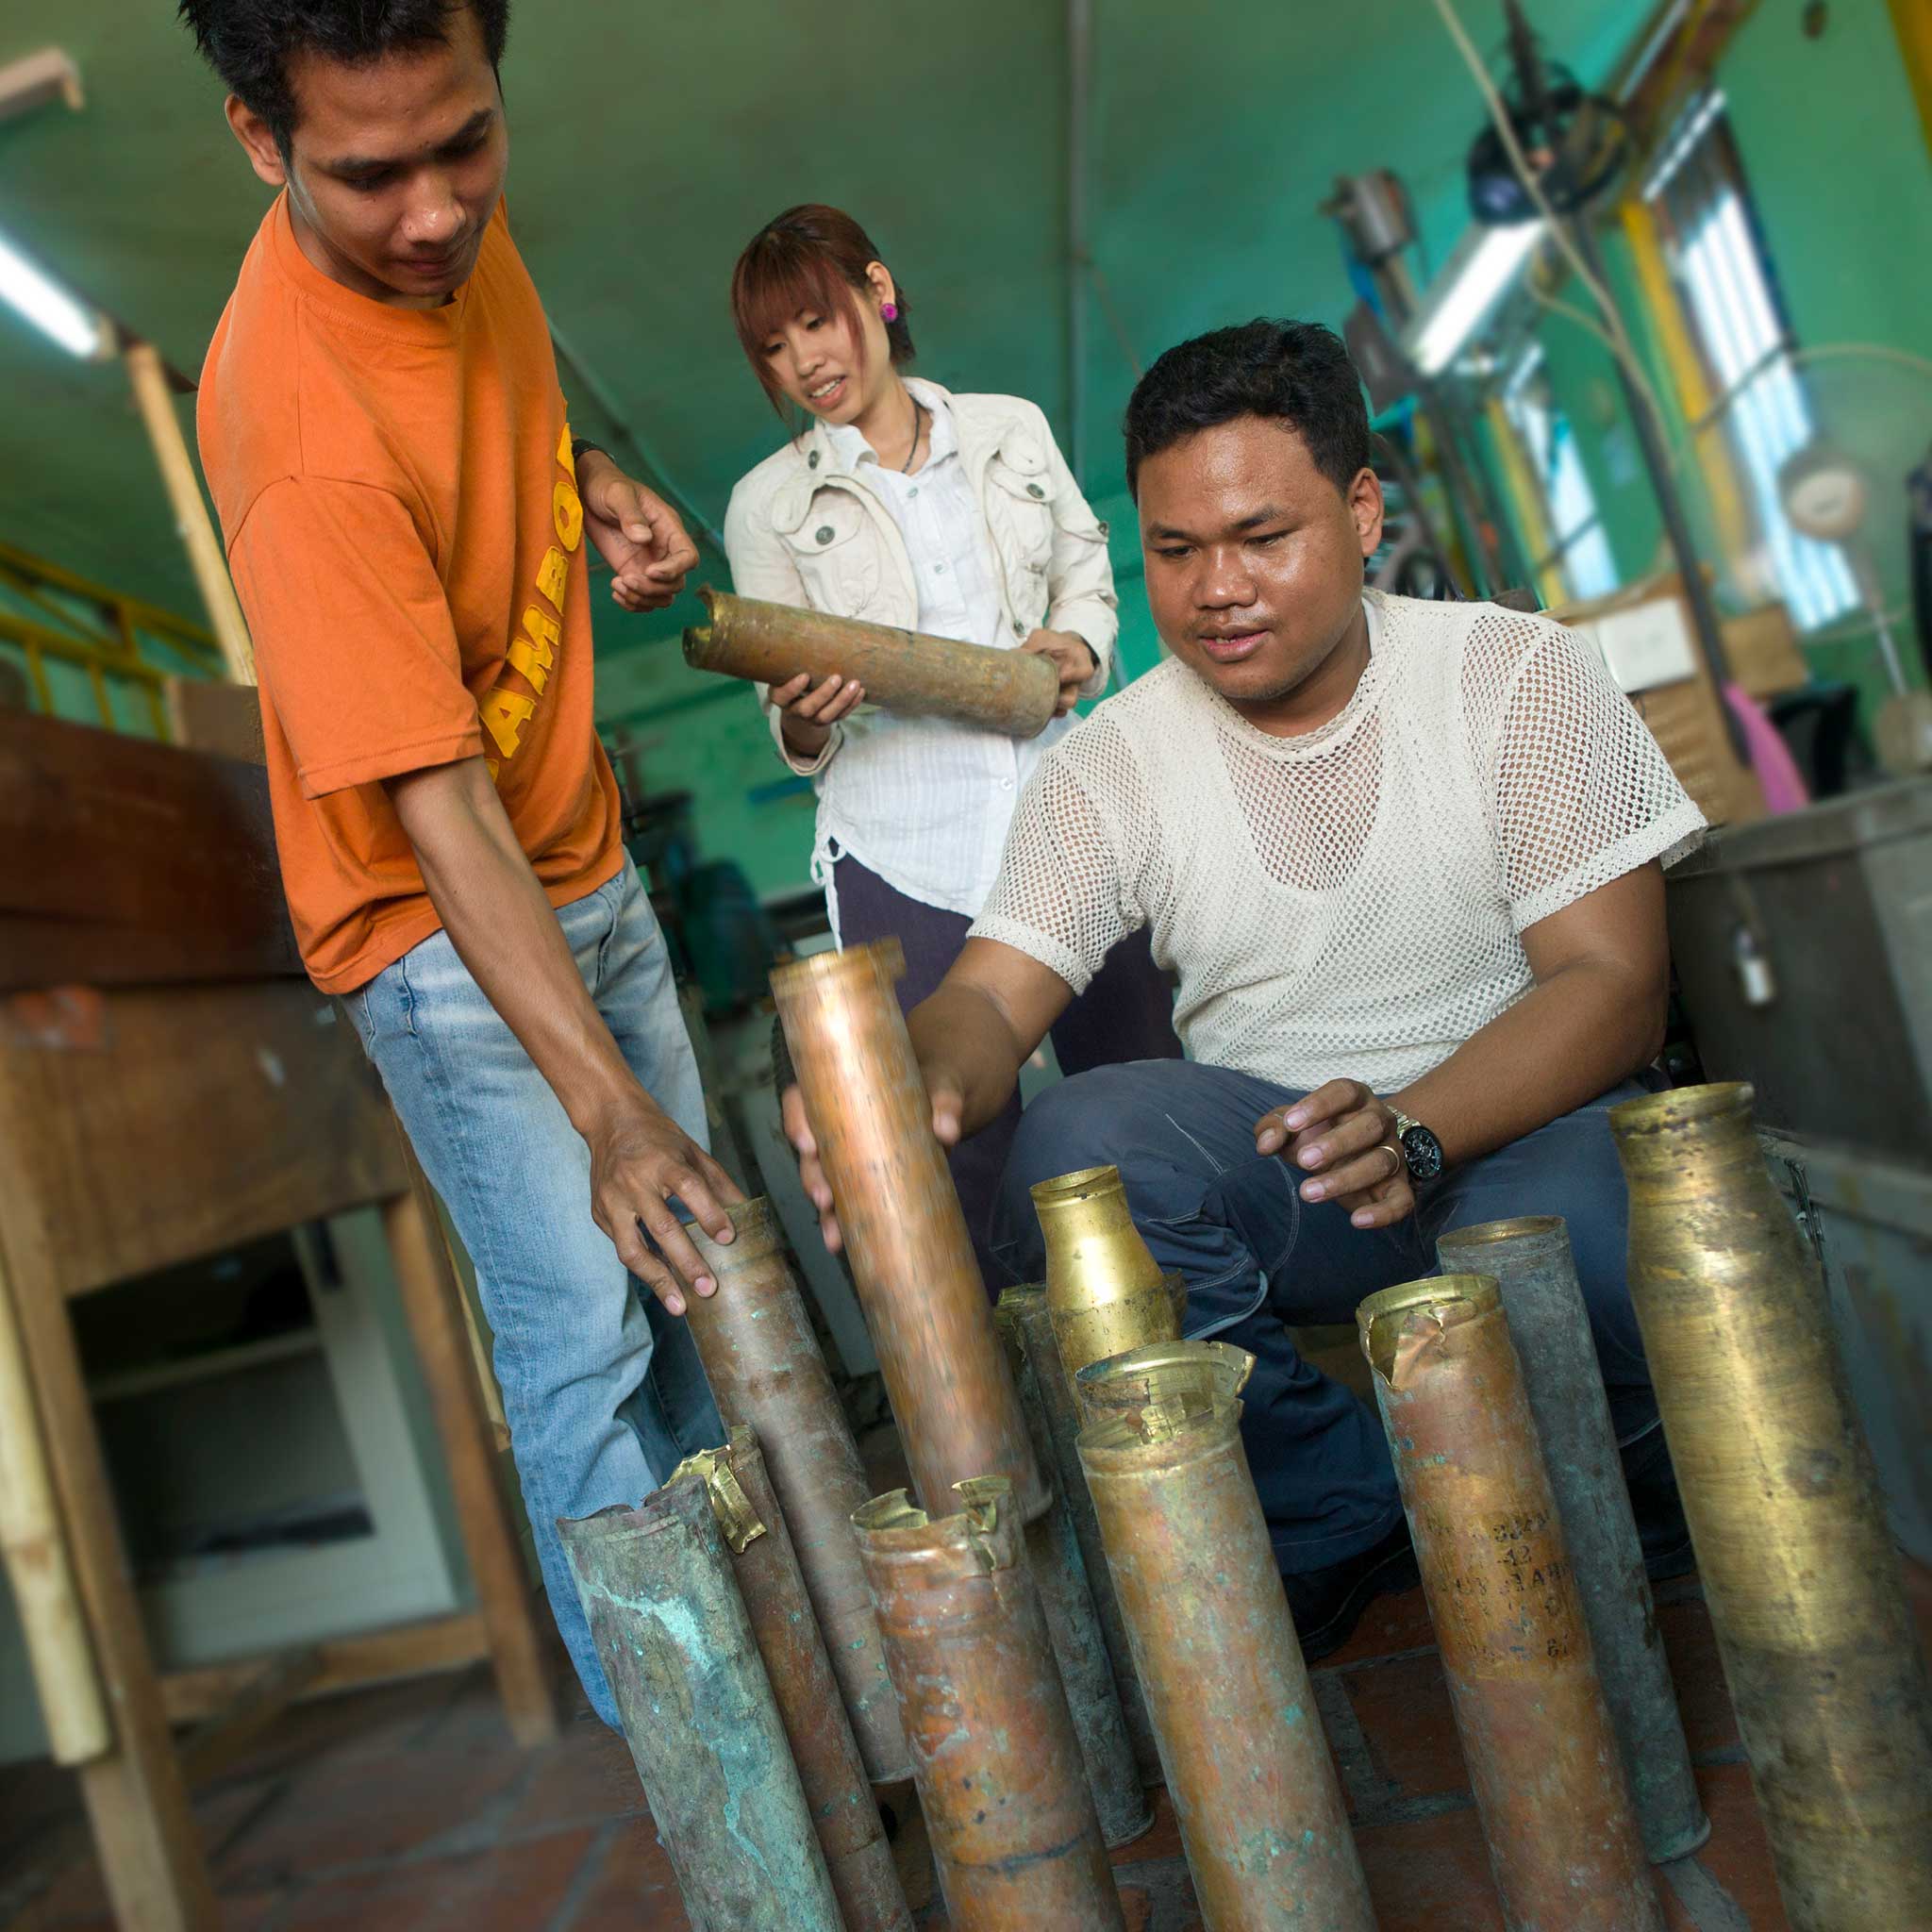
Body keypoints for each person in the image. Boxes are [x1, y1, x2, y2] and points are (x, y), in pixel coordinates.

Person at [786, 319, 1705, 1657]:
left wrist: (1421, 1123)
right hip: (1303, 1179)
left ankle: (1624, 1469)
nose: (1218, 588)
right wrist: (908, 1075)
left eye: (1263, 538)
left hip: (1527, 1138)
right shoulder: (1108, 766)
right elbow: (991, 997)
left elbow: (1617, 985)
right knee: (1077, 1150)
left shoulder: (1519, 672)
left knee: (1603, 1229)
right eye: (1176, 550)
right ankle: (1347, 1506)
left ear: (1363, 511)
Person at [182, 0, 738, 1727]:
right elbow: (437, 813)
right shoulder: (290, 437)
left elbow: (479, 424)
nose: (433, 210)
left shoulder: (452, 248)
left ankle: (795, 1696)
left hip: (576, 857)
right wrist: (605, 1109)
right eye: (369, 175)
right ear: (262, 141)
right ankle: (726, 1807)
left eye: (464, 143)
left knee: (707, 1299)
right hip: (440, 937)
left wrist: (589, 471)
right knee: (586, 1333)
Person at [723, 205, 1182, 1284]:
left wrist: (1077, 639)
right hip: (901, 848)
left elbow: (1084, 565)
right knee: (957, 1144)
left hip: (1061, 817)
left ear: (875, 292)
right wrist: (804, 710)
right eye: (774, 348)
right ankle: (1029, 1403)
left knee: (1137, 1083)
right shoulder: (766, 503)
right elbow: (782, 717)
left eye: (815, 321)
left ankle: (1207, 1342)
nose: (804, 361)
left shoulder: (1008, 426)